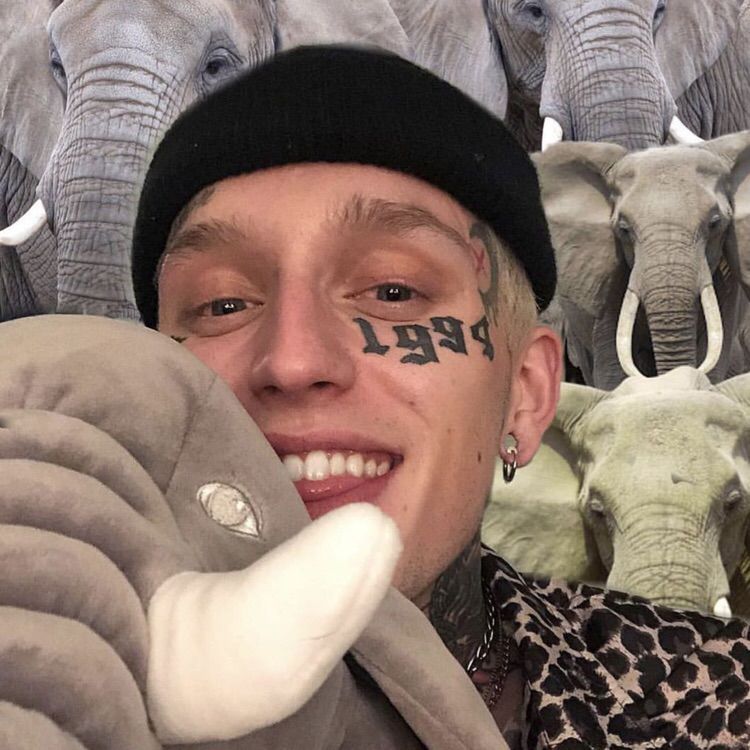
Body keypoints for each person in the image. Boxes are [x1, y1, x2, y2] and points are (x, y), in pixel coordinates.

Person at [131, 46, 750, 748]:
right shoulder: (63, 688)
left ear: (526, 396)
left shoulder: (715, 697)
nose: (294, 361)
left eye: (393, 291)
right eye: (222, 304)